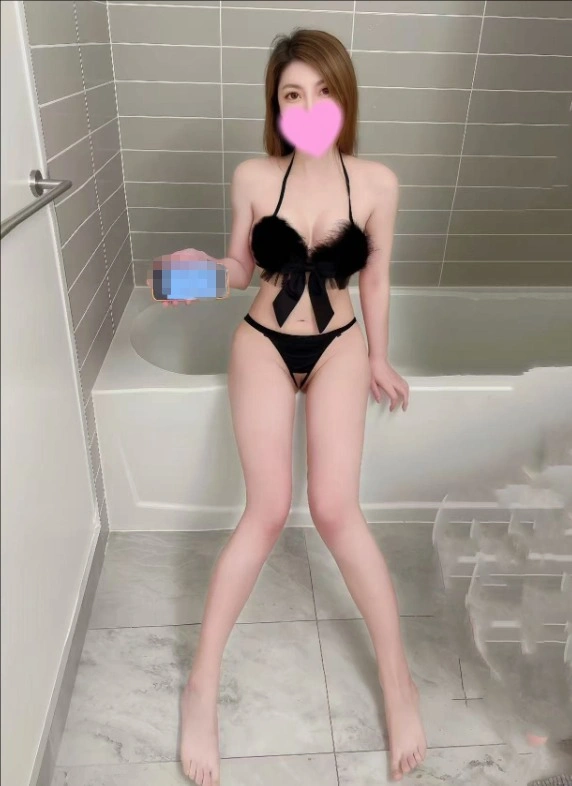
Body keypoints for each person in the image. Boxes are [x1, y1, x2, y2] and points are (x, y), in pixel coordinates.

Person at [156, 28, 427, 785]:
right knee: (267, 511)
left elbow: (375, 281)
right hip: (264, 345)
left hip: (339, 344)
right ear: (276, 108)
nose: (309, 106)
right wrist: (185, 277)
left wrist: (377, 356)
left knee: (337, 510)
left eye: (323, 91)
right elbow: (240, 271)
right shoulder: (254, 175)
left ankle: (399, 682)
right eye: (292, 94)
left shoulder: (376, 183)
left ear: (345, 98)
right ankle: (201, 687)